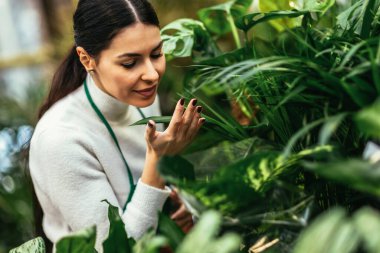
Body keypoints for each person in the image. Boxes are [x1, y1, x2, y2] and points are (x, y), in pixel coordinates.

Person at [28, 0, 205, 252]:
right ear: (87, 59)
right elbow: (113, 249)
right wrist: (157, 163)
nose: (152, 74)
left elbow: (156, 189)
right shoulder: (61, 139)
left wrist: (185, 206)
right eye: (130, 63)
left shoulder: (140, 99)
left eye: (156, 54)